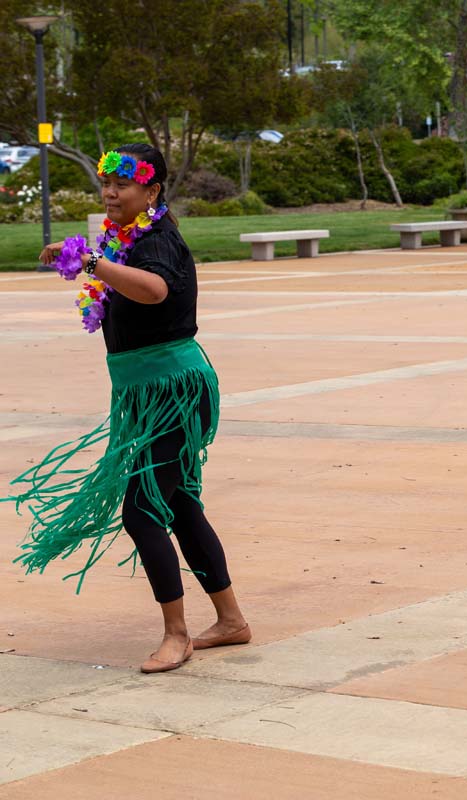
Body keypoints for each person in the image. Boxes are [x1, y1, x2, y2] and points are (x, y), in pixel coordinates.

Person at [5, 143, 250, 673]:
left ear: (152, 191)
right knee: (180, 504)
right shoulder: (124, 239)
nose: (111, 193)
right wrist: (91, 257)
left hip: (175, 392)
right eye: (106, 184)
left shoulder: (157, 239)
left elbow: (156, 290)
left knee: (141, 510)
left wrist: (95, 261)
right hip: (144, 392)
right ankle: (230, 621)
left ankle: (176, 634)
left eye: (123, 184)